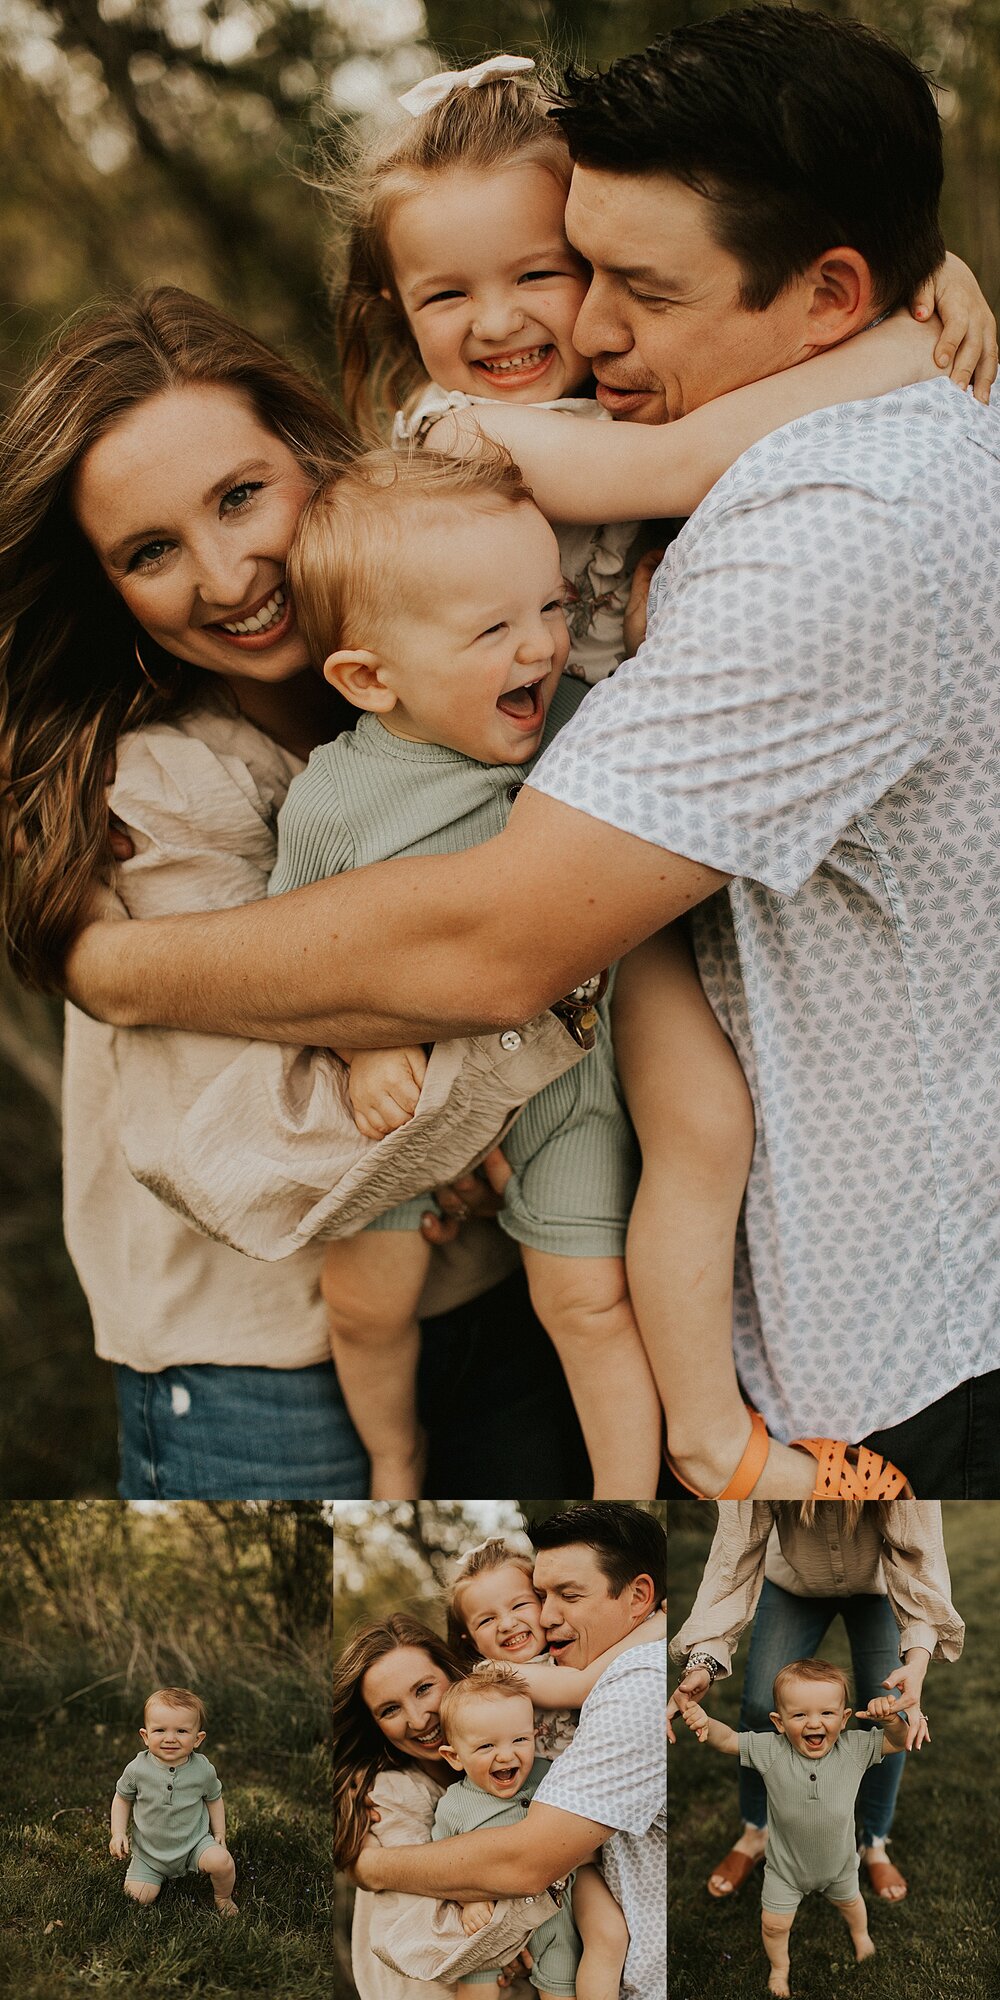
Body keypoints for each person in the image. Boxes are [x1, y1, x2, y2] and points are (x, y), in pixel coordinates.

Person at [63, 13, 1000, 1496]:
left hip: (621, 1215)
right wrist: (878, 336)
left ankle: (694, 1444)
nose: (555, 323)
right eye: (450, 291)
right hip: (266, 1328)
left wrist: (887, 293)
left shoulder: (773, 495)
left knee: (683, 1152)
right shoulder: (460, 468)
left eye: (581, 275)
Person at [0, 286, 598, 1500]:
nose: (227, 576)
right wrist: (488, 1077)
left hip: (486, 1293)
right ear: (106, 585)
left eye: (240, 496)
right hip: (251, 1352)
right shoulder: (154, 784)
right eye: (151, 551)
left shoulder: (445, 661)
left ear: (314, 459)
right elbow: (281, 1143)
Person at [351, 1505, 667, 2000]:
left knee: (597, 1939)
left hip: (567, 1853)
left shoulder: (567, 1659)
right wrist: (655, 1627)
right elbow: (583, 1684)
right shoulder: (494, 1681)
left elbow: (584, 1680)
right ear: (467, 1640)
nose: (510, 1624)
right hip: (527, 1852)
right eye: (486, 1619)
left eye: (525, 1604)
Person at [666, 1499, 963, 1904]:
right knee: (758, 1708)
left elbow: (920, 1560)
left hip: (878, 1586)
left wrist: (916, 1664)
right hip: (793, 1585)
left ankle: (874, 1841)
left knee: (890, 1709)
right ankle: (756, 1832)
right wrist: (703, 1660)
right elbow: (732, 1559)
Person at [678, 1659, 913, 1998]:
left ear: (844, 1718)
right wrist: (705, 1721)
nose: (814, 1723)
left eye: (827, 1714)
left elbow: (899, 1742)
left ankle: (861, 1936)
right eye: (800, 1715)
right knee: (774, 1925)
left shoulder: (855, 1749)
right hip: (785, 1870)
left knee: (852, 1905)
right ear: (779, 1722)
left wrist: (892, 1719)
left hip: (841, 1866)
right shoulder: (771, 1751)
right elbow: (728, 1739)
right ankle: (780, 1968)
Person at [433, 1665, 584, 2000]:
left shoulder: (551, 1776)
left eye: (519, 1739)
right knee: (476, 1975)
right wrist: (468, 1900)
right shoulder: (455, 1806)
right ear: (454, 1756)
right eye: (486, 1747)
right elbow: (443, 1869)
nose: (506, 1754)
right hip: (490, 1920)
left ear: (535, 1736)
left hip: (554, 1917)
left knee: (563, 1976)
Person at [110, 1686, 237, 1915]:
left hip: (193, 1844)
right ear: (145, 1736)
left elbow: (214, 1799)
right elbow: (121, 1798)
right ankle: (150, 1872)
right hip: (150, 1852)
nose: (170, 1739)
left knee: (223, 1862)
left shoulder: (203, 1769)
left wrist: (220, 1833)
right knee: (138, 1897)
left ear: (198, 1739)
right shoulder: (137, 1768)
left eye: (181, 1731)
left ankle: (223, 1897)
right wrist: (117, 1833)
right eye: (159, 1730)